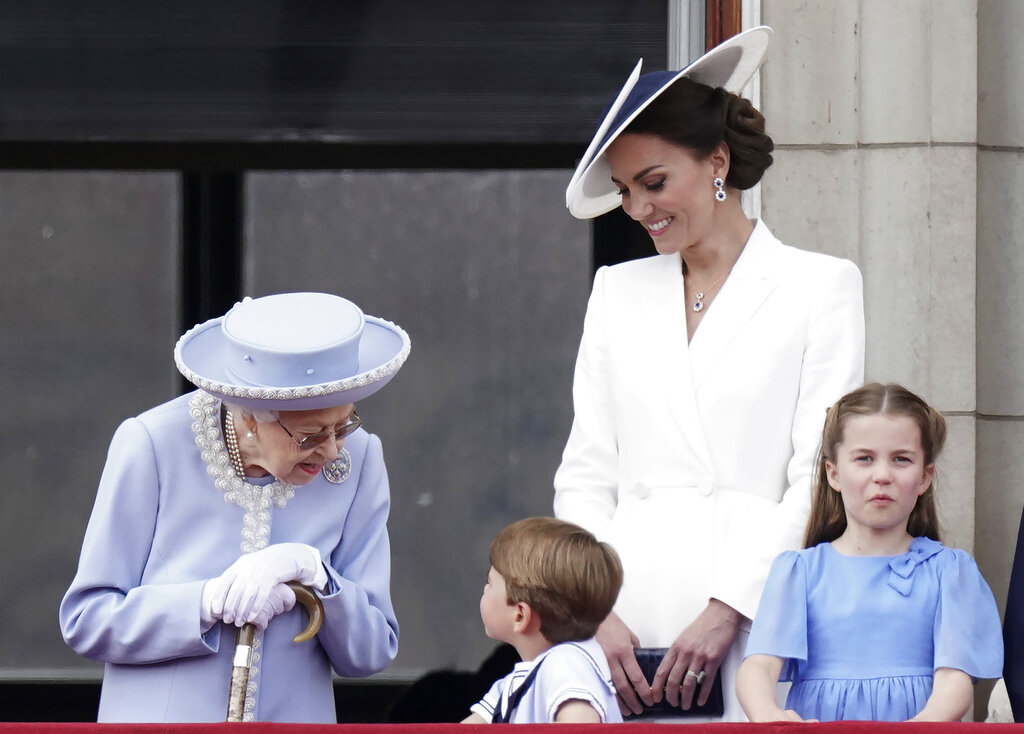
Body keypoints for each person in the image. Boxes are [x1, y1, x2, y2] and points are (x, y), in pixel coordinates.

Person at [555, 26, 865, 721]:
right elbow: (585, 472)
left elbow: (818, 470)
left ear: (717, 160)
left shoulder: (820, 286)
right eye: (625, 190)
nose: (637, 209)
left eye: (655, 183)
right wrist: (593, 610)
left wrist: (733, 605)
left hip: (761, 615)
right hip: (623, 622)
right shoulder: (616, 290)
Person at [59, 292, 410, 723]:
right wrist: (206, 602)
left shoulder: (360, 460)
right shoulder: (151, 444)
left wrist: (317, 574)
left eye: (344, 424)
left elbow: (372, 651)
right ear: (249, 416)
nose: (333, 450)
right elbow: (87, 620)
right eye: (311, 435)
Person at [737, 382, 1003, 722]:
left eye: (901, 460)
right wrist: (767, 714)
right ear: (833, 473)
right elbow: (758, 665)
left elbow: (955, 677)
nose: (882, 475)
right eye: (864, 459)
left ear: (924, 477)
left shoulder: (950, 572)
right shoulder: (799, 571)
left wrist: (917, 729)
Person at [462, 517, 624, 724]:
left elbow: (580, 725)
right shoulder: (511, 685)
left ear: (519, 615)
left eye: (490, 582)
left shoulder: (567, 663)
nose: (484, 589)